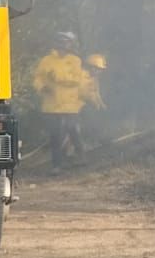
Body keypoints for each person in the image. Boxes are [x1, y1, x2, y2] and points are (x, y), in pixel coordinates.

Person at [32, 32, 103, 165]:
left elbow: (76, 80)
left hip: (70, 105)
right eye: (60, 42)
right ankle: (57, 165)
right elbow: (38, 78)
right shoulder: (46, 61)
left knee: (74, 131)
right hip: (51, 105)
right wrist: (42, 87)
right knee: (55, 136)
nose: (63, 46)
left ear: (70, 45)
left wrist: (57, 78)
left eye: (66, 43)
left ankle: (82, 157)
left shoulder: (75, 61)